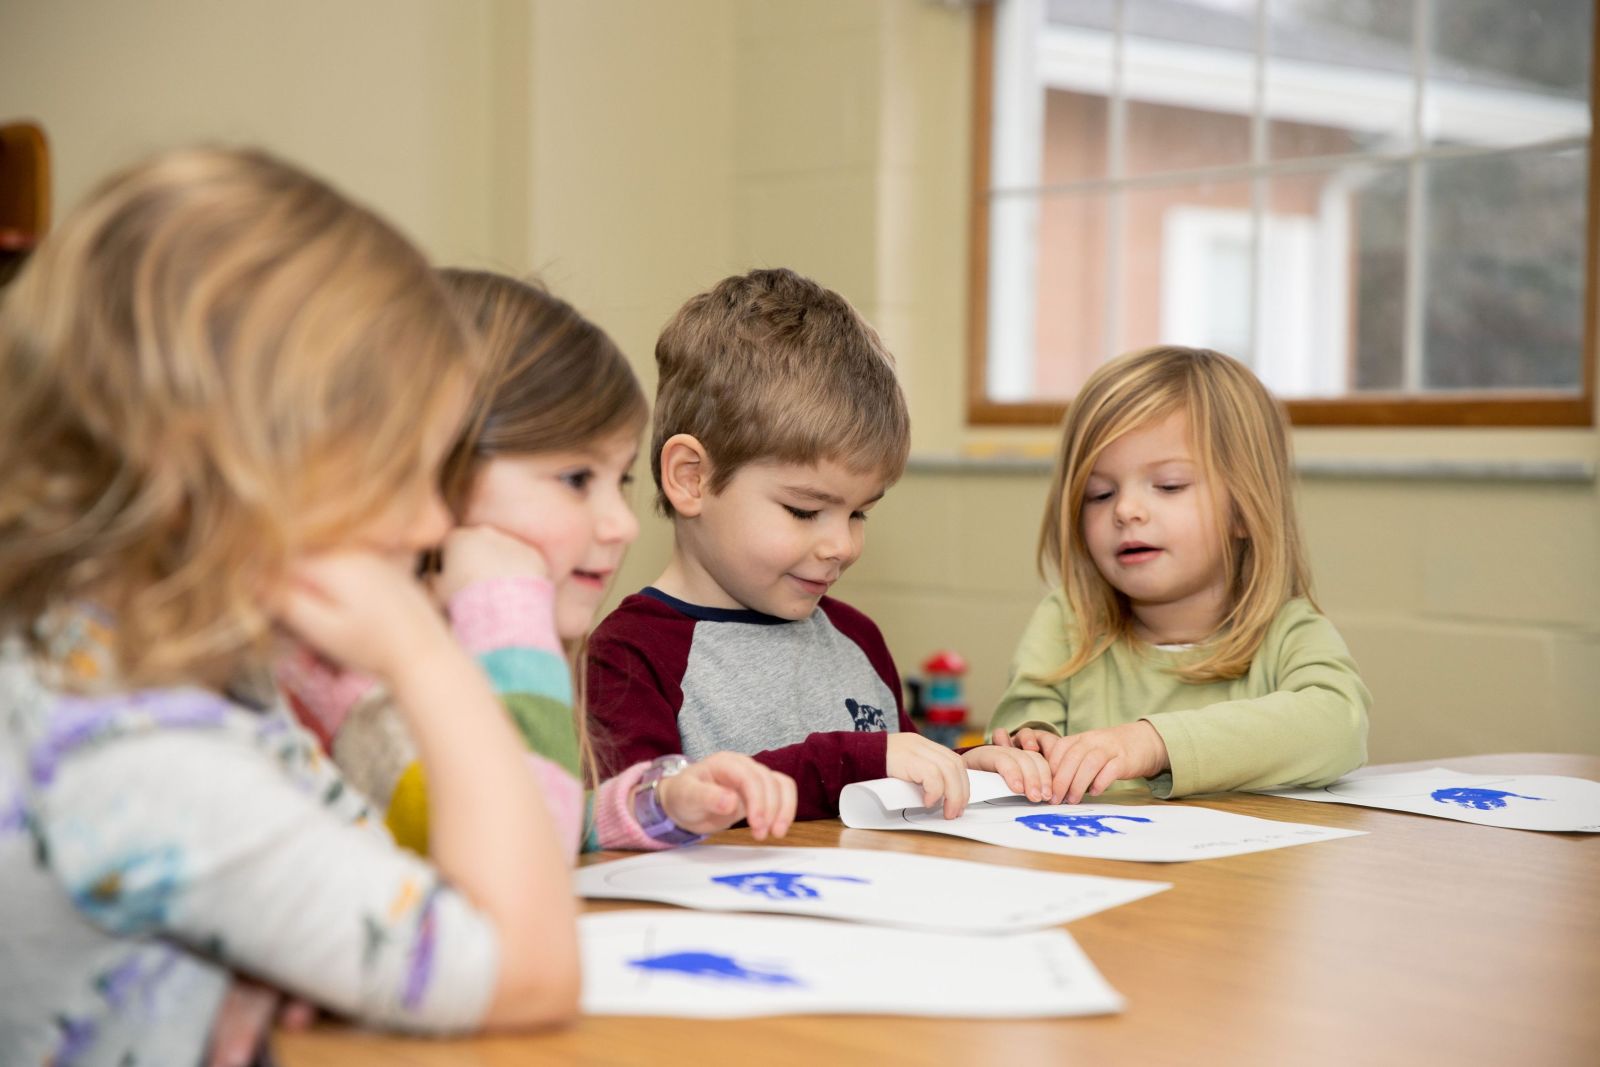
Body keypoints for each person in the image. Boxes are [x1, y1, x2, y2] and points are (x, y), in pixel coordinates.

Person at [0, 148, 580, 1065]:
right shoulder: (142, 753)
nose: (433, 519)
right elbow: (533, 967)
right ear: (242, 465)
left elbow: (395, 875)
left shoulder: (169, 669)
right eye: (402, 471)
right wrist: (429, 661)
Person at [279, 269, 796, 855]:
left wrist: (659, 802)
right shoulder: (340, 677)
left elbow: (551, 813)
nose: (624, 523)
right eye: (576, 478)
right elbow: (522, 848)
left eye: (618, 479)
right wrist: (507, 605)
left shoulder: (456, 639)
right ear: (428, 474)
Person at [587, 268, 1053, 822]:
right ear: (692, 479)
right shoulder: (629, 656)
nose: (842, 545)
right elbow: (640, 819)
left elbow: (892, 787)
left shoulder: (856, 639)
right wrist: (855, 760)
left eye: (858, 512)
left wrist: (965, 768)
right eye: (805, 510)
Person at [988, 345, 1371, 803]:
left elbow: (1337, 726)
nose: (1126, 510)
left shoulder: (1287, 629)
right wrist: (1029, 748)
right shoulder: (1068, 622)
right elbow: (1021, 732)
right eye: (1099, 493)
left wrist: (1154, 743)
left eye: (1169, 486)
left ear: (1244, 511)